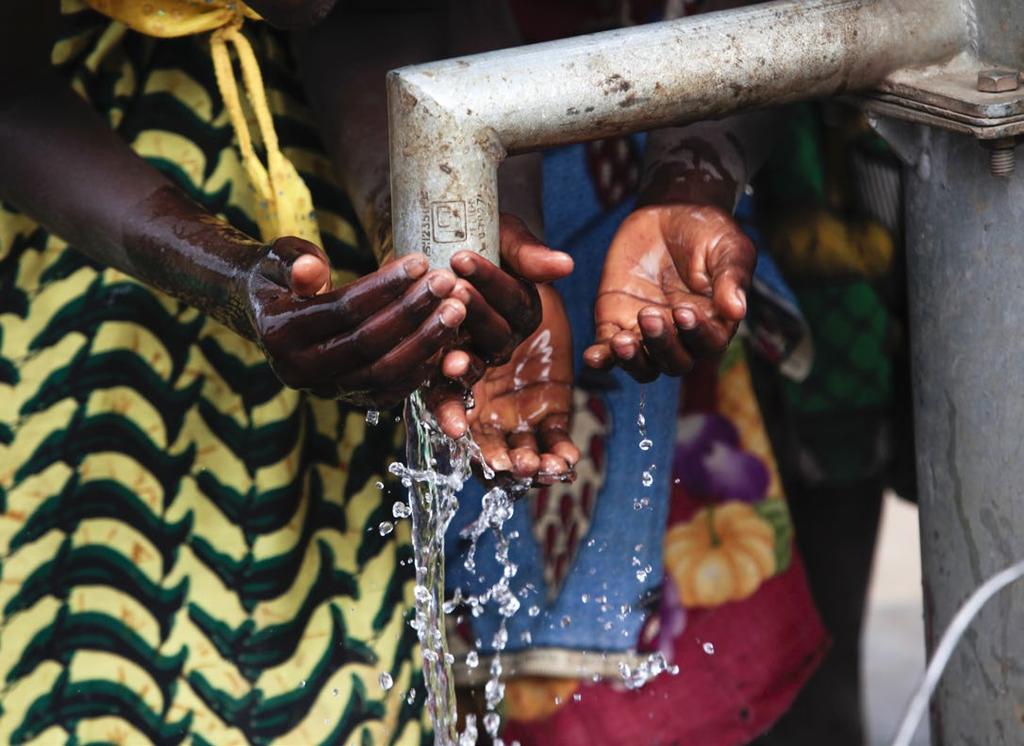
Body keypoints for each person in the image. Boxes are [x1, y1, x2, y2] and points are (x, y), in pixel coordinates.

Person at [0, 1, 579, 742]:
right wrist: (217, 271)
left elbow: (377, 22)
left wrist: (429, 229)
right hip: (82, 191)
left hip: (337, 157)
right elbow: (10, 91)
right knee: (87, 639)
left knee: (332, 663)